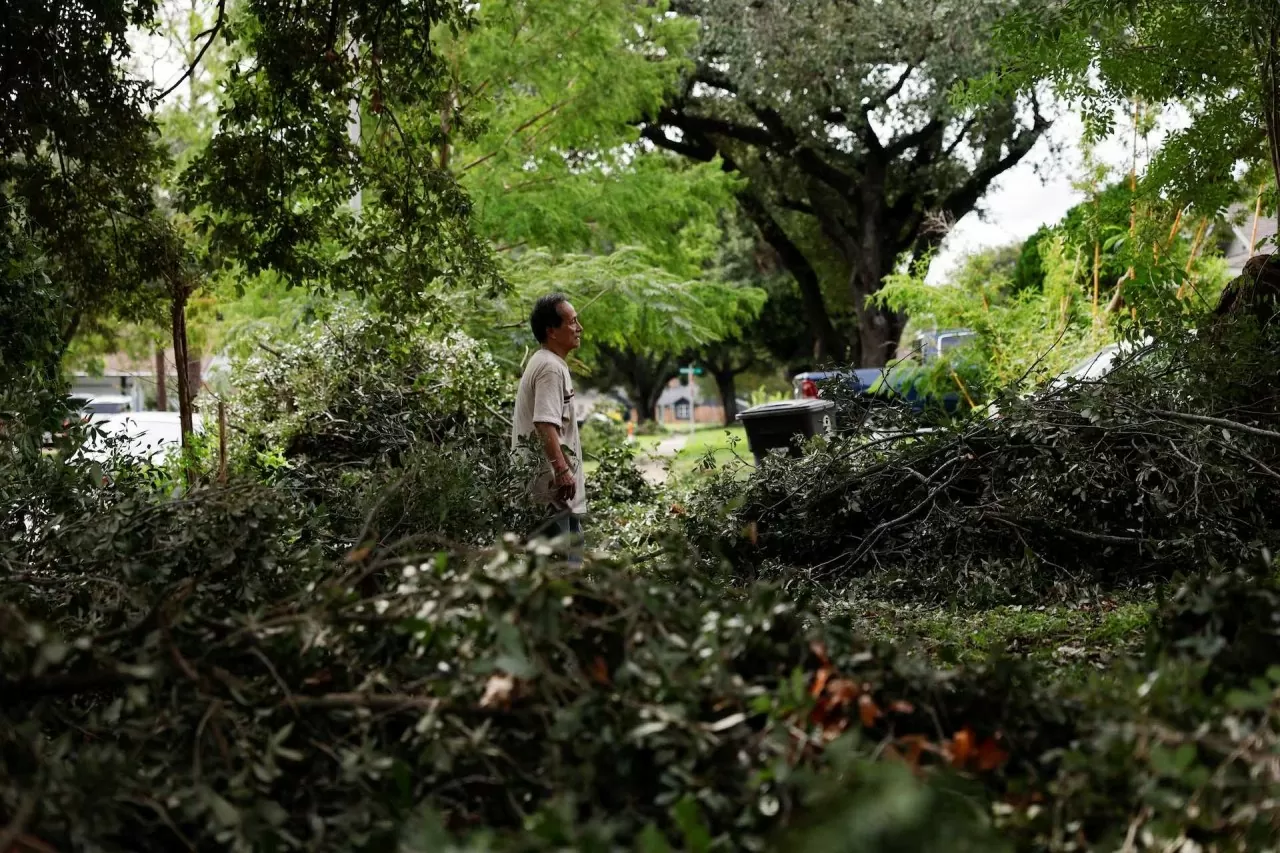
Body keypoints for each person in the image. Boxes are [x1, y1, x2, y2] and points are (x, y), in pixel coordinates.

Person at [511, 293, 586, 565]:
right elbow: (544, 423)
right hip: (552, 493)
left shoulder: (547, 362)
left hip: (553, 493)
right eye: (573, 322)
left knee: (563, 570)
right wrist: (563, 471)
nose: (579, 328)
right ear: (551, 331)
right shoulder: (549, 368)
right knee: (562, 575)